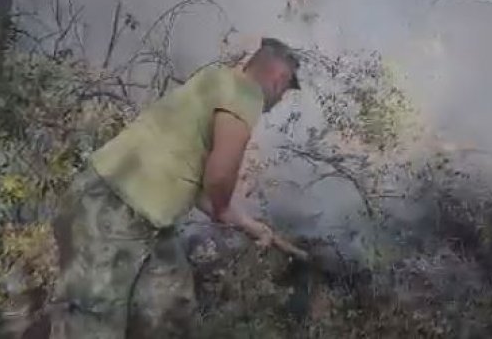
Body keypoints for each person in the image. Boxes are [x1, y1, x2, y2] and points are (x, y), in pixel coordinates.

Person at [48, 37, 302, 338]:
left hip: (142, 219)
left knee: (169, 310)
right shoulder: (245, 93)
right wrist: (222, 207)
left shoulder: (214, 81)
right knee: (90, 325)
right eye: (284, 92)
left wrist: (248, 224)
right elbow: (220, 176)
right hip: (108, 209)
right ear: (279, 80)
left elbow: (203, 190)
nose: (280, 99)